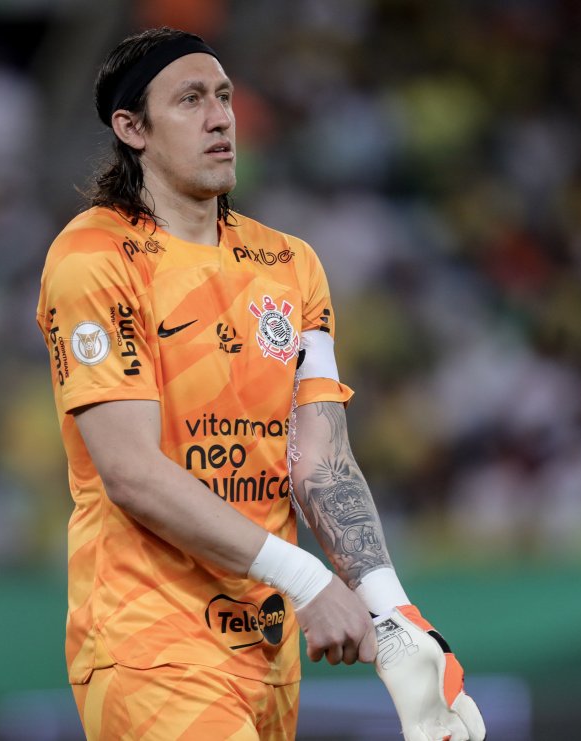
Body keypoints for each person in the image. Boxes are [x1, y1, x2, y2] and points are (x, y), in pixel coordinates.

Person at [36, 26, 485, 741]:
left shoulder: (289, 264)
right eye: (189, 101)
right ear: (131, 128)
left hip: (266, 652)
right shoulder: (94, 255)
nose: (219, 118)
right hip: (148, 642)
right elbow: (129, 471)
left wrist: (397, 618)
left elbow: (322, 464)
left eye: (223, 97)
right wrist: (305, 579)